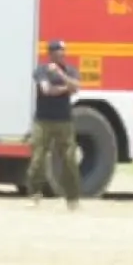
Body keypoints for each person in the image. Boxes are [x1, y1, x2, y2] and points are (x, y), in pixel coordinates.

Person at [27, 41, 82, 210]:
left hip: (64, 121)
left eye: (63, 51)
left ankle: (72, 198)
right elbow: (46, 90)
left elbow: (76, 87)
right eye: (58, 51)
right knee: (38, 159)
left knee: (69, 159)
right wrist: (67, 88)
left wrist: (61, 75)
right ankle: (35, 193)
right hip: (43, 121)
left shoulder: (70, 70)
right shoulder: (41, 71)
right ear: (50, 54)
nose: (61, 54)